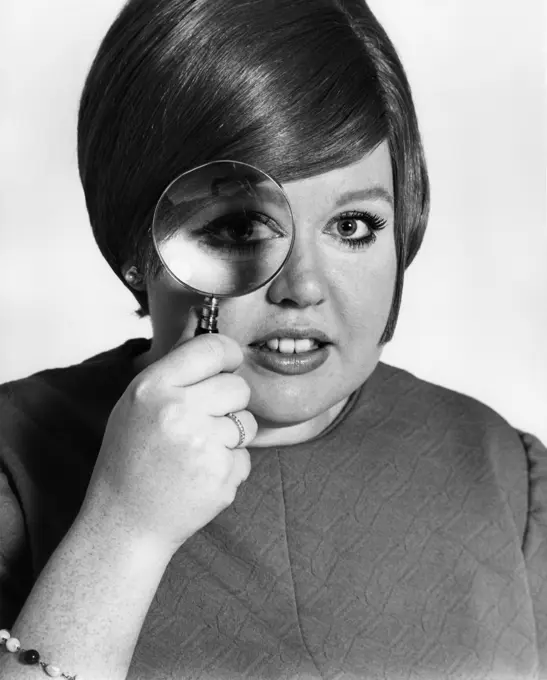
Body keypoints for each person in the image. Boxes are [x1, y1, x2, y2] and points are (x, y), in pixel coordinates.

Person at [0, 0, 545, 678]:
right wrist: (122, 532)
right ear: (135, 246)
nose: (303, 287)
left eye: (351, 227)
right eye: (236, 228)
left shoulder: (501, 472)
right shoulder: (13, 465)